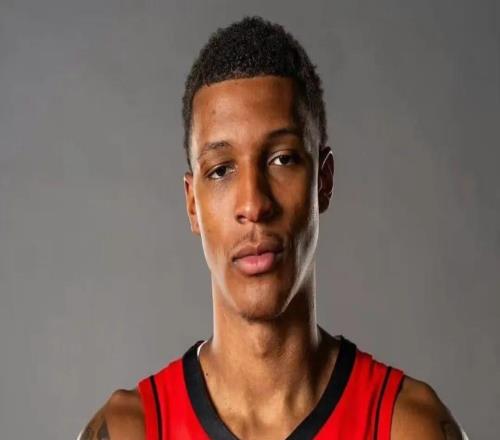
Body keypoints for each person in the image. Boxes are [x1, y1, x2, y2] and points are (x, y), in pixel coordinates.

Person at [78, 17, 468, 440]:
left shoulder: (407, 427)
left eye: (282, 159)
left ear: (324, 181)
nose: (253, 204)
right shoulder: (129, 430)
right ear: (192, 204)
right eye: (221, 170)